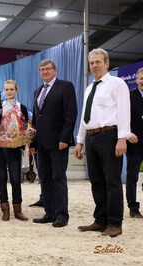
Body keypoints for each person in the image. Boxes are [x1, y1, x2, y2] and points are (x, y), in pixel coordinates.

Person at [74, 48, 130, 237]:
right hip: (91, 137)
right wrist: (80, 140)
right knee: (96, 181)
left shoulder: (117, 84)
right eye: (91, 63)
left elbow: (123, 111)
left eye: (98, 62)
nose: (94, 66)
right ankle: (100, 220)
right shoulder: (90, 88)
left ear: (107, 63)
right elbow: (85, 116)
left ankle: (115, 223)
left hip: (109, 136)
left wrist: (122, 138)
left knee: (112, 181)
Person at [30, 59, 77, 228]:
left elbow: (71, 115)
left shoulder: (66, 86)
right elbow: (36, 118)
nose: (45, 72)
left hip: (58, 143)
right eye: (42, 69)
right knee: (45, 178)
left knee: (58, 178)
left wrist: (65, 138)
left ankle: (62, 215)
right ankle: (49, 212)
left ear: (55, 70)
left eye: (48, 69)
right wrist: (33, 142)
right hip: (41, 143)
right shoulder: (37, 91)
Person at [0, 80, 29, 221]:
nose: (9, 92)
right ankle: (5, 210)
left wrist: (20, 134)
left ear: (16, 90)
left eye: (12, 89)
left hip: (14, 146)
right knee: (1, 178)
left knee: (15, 179)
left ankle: (17, 210)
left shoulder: (22, 107)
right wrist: (4, 134)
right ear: (3, 91)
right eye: (6, 89)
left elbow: (25, 125)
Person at [125, 67, 143, 219]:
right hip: (135, 142)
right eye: (141, 78)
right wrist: (127, 132)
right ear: (136, 80)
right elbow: (122, 118)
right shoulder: (129, 96)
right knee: (132, 177)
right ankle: (133, 207)